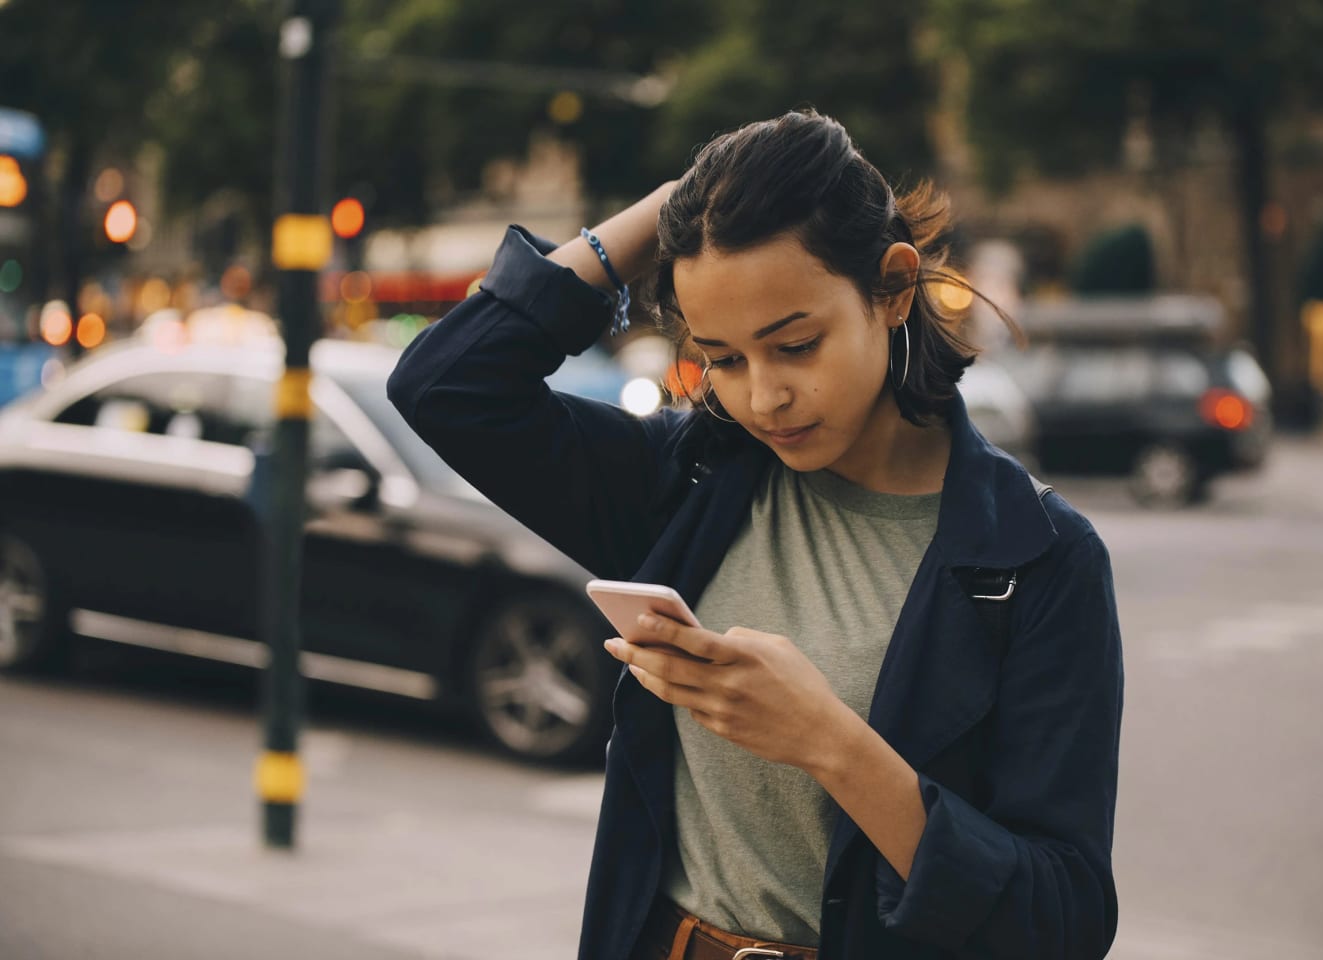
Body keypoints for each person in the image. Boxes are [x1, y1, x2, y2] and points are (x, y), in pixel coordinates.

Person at [388, 109, 1123, 960]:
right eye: (724, 359)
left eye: (796, 346)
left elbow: (1062, 919)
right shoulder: (687, 480)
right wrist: (672, 209)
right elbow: (448, 384)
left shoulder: (1038, 557)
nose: (763, 397)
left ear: (890, 289)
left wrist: (830, 743)